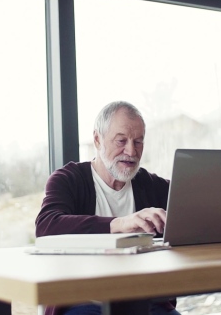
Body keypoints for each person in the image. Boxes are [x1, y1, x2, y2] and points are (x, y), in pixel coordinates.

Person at [35, 101, 180, 315]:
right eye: (121, 141)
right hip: (83, 301)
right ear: (97, 139)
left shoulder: (153, 186)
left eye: (138, 142)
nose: (131, 151)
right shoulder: (68, 180)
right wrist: (119, 224)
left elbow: (192, 217)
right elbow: (47, 226)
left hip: (148, 302)